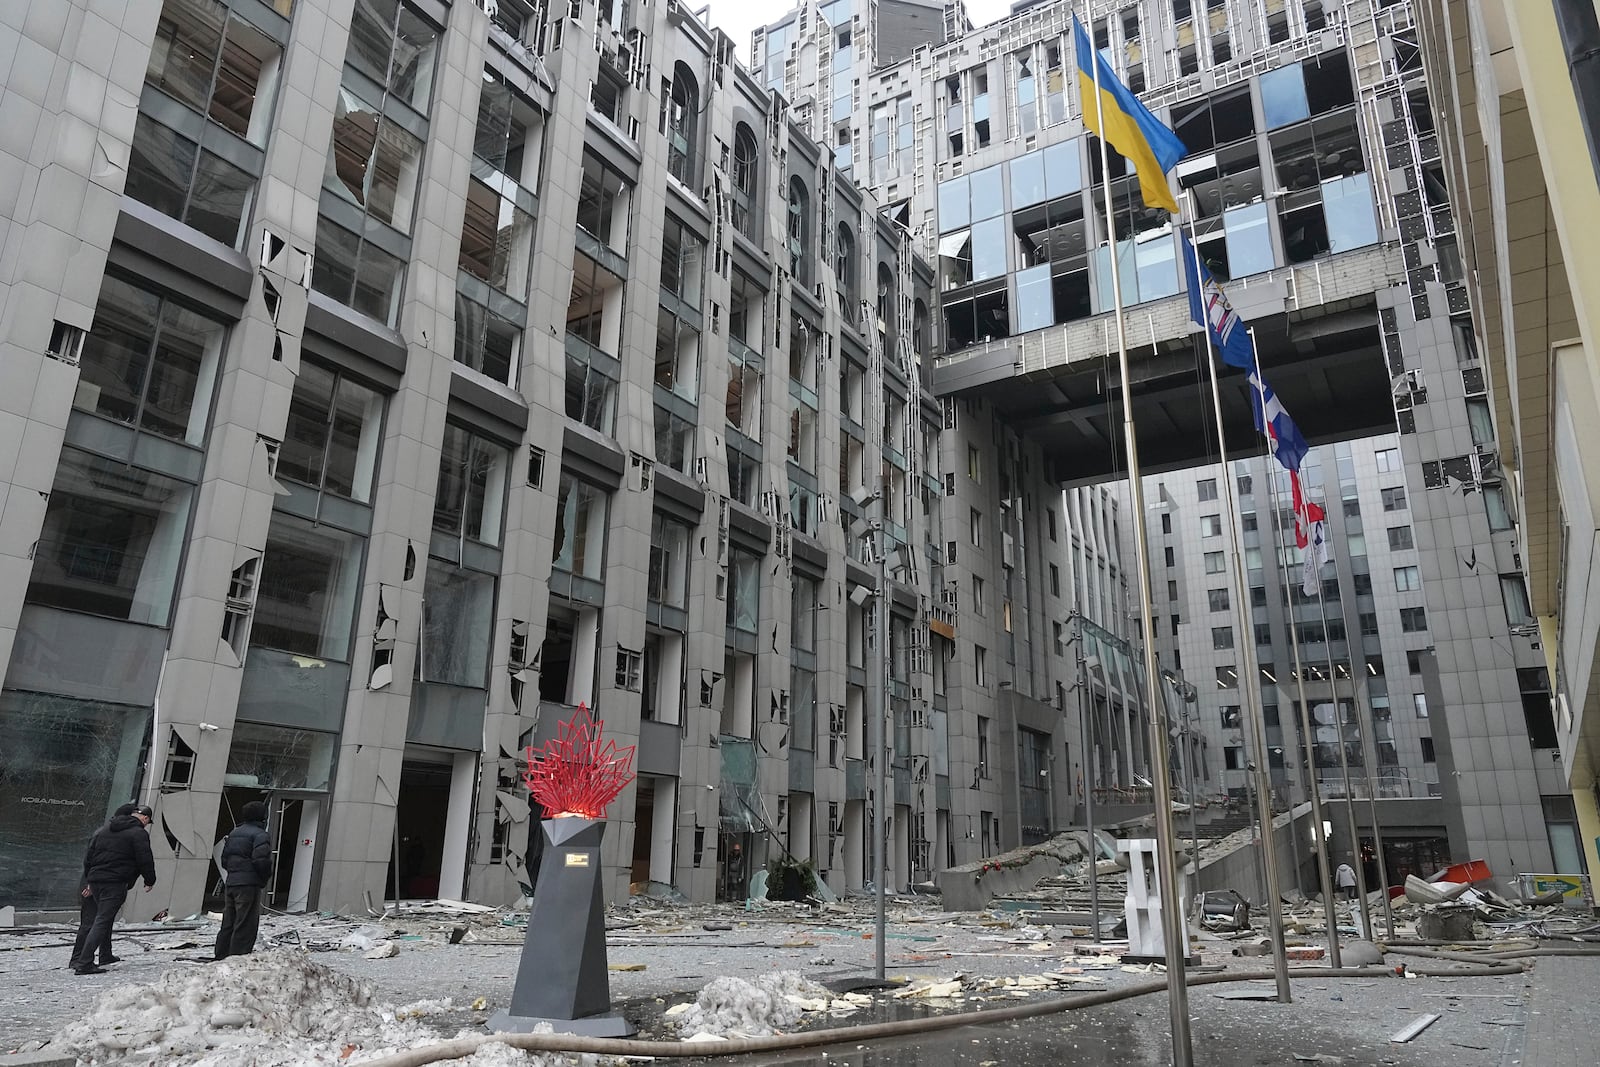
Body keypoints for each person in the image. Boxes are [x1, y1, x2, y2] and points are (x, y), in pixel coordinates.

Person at [71, 803, 156, 975]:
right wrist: (150, 880)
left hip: (95, 880)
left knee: (102, 919)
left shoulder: (104, 830)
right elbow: (144, 858)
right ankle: (84, 962)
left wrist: (89, 880)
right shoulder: (138, 833)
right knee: (102, 919)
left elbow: (89, 858)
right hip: (115, 882)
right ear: (145, 818)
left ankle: (103, 955)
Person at [214, 801, 272, 960]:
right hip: (249, 884)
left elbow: (224, 859)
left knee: (229, 921)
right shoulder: (260, 835)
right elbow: (261, 860)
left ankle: (221, 955)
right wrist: (263, 878)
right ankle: (238, 958)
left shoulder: (234, 833)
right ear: (262, 817)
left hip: (232, 882)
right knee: (245, 923)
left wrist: (234, 872)